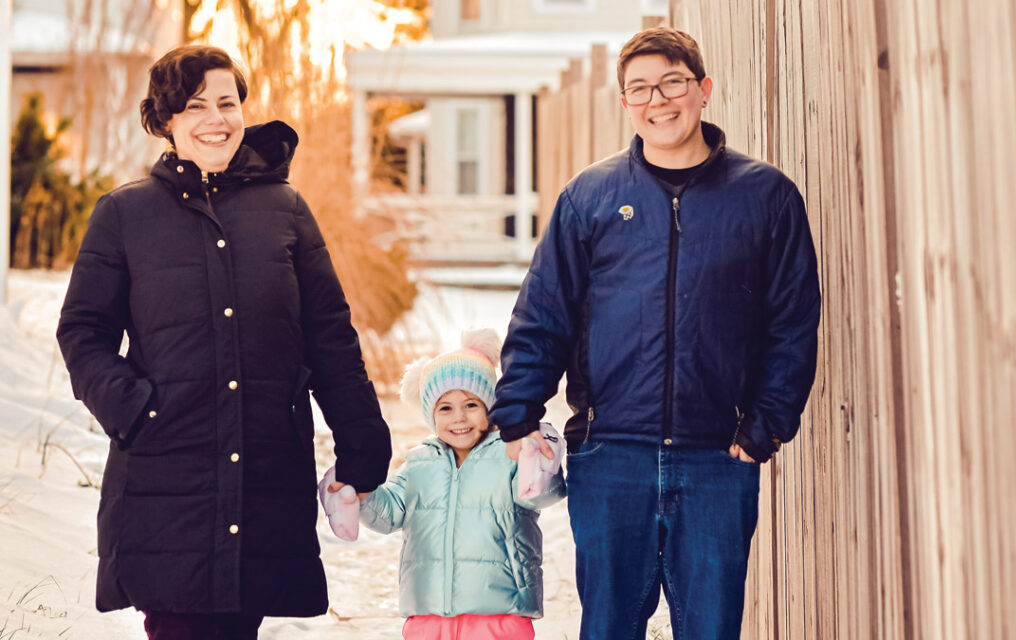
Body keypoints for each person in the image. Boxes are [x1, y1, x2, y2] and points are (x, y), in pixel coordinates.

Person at [490, 27, 821, 640]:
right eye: (639, 89)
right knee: (610, 626)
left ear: (704, 90)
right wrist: (516, 414)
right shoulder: (590, 196)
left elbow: (792, 321)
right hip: (611, 454)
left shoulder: (766, 196)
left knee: (711, 628)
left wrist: (764, 426)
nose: (657, 100)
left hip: (718, 458)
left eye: (672, 82)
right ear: (625, 104)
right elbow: (545, 312)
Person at [55, 44, 391, 639]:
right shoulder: (124, 215)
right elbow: (84, 333)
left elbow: (329, 337)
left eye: (227, 103)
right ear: (165, 122)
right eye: (194, 106)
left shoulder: (285, 210)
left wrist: (362, 442)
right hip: (166, 475)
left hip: (265, 469)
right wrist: (135, 410)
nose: (217, 119)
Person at [358, 329, 566, 640]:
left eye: (471, 405)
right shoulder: (418, 463)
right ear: (431, 414)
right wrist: (361, 493)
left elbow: (540, 494)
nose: (459, 418)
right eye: (446, 408)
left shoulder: (509, 452)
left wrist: (541, 460)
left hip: (499, 610)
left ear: (490, 407)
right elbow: (388, 513)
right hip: (430, 612)